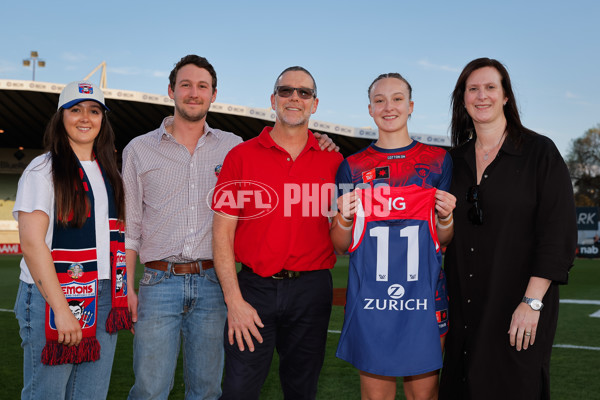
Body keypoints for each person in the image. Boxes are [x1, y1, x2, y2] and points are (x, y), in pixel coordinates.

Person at [123, 56, 337, 400]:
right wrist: (126, 288)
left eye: (202, 86)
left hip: (216, 282)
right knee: (151, 388)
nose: (194, 93)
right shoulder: (141, 149)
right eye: (186, 85)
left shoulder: (233, 145)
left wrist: (324, 141)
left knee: (210, 389)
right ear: (171, 91)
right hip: (165, 281)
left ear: (214, 94)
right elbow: (131, 227)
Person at [439, 58, 577, 400]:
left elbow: (557, 232)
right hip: (462, 310)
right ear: (463, 98)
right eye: (473, 89)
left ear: (505, 97)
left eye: (490, 87)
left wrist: (532, 302)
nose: (481, 96)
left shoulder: (539, 152)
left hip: (518, 306)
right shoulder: (451, 161)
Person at [212, 66, 344, 400]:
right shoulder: (240, 156)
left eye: (304, 93)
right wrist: (234, 300)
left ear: (315, 104)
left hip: (311, 290)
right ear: (273, 100)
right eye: (286, 91)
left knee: (302, 391)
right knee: (238, 391)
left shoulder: (335, 162)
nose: (295, 98)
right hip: (253, 289)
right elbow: (222, 235)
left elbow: (343, 235)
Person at [331, 73, 456, 400]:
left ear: (411, 106)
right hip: (372, 300)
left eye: (397, 98)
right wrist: (343, 215)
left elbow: (443, 239)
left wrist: (446, 216)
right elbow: (340, 245)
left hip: (424, 298)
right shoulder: (352, 167)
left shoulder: (439, 161)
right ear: (370, 109)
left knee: (425, 396)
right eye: (380, 100)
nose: (389, 107)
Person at [13, 80, 131, 399]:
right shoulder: (43, 170)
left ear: (103, 119)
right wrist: (62, 309)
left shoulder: (110, 173)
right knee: (46, 394)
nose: (85, 117)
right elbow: (33, 244)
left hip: (104, 294)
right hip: (54, 295)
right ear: (60, 117)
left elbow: (117, 239)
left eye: (94, 111)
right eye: (75, 109)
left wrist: (126, 290)